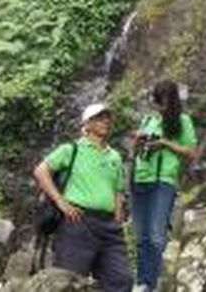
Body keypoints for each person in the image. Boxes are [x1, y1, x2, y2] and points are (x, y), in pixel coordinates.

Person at [33, 103, 132, 292]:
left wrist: (117, 218)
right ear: (87, 124)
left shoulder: (115, 157)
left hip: (109, 228)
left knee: (121, 280)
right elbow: (41, 171)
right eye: (99, 118)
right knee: (68, 281)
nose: (105, 121)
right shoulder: (71, 149)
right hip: (78, 222)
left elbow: (118, 191)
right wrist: (61, 202)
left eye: (107, 117)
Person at [131, 80, 197, 292]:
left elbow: (191, 152)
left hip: (163, 181)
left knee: (156, 235)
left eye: (163, 102)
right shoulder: (148, 119)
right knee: (141, 236)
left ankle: (149, 285)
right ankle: (141, 282)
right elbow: (136, 152)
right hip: (140, 179)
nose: (160, 106)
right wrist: (139, 141)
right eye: (157, 102)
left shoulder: (182, 121)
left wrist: (164, 143)